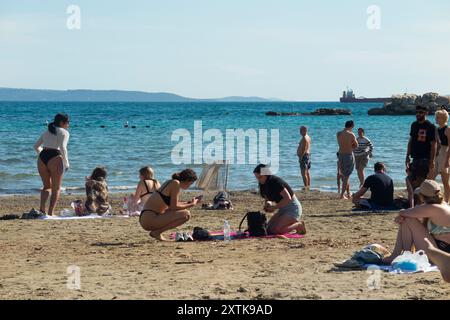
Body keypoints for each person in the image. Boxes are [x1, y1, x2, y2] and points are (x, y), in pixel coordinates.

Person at [382, 180, 450, 265]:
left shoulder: (433, 208)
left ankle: (403, 255)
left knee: (408, 219)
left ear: (422, 196)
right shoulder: (443, 205)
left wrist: (401, 217)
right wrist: (404, 216)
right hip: (442, 250)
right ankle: (402, 254)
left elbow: (403, 212)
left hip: (441, 254)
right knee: (408, 218)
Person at [139, 169, 200, 241]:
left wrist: (189, 202)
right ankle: (157, 232)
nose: (190, 186)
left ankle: (157, 232)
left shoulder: (171, 182)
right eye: (191, 183)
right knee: (186, 214)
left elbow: (172, 204)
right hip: (150, 219)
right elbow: (174, 207)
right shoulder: (176, 184)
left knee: (184, 212)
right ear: (187, 180)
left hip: (146, 218)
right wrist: (192, 204)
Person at [253, 164, 306, 235]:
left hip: (293, 208)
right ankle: (290, 223)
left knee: (276, 231)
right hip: (282, 209)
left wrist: (274, 207)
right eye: (257, 178)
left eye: (260, 177)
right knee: (268, 229)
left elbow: (288, 198)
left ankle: (299, 224)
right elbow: (268, 198)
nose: (258, 180)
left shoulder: (276, 182)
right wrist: (268, 204)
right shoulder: (264, 183)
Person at [34, 113, 70, 216]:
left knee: (46, 186)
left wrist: (43, 153)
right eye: (68, 122)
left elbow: (36, 146)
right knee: (56, 188)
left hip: (42, 157)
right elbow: (63, 147)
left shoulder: (46, 132)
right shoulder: (64, 132)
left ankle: (42, 209)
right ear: (62, 122)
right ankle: (50, 213)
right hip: (55, 156)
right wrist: (66, 162)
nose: (68, 125)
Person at [405, 105, 437, 207]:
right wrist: (407, 155)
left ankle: (420, 205)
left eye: (421, 112)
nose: (418, 114)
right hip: (415, 158)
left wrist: (432, 161)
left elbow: (434, 145)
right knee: (411, 180)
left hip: (424, 158)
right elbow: (410, 141)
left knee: (420, 182)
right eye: (417, 112)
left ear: (426, 113)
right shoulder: (414, 125)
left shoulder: (431, 127)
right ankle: (416, 204)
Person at [337, 121, 358, 199]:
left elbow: (340, 143)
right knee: (346, 176)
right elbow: (356, 145)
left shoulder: (338, 133)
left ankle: (348, 193)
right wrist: (351, 145)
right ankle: (342, 194)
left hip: (340, 155)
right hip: (348, 155)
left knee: (344, 175)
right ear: (352, 126)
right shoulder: (351, 134)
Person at [433, 109, 450, 203]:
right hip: (437, 154)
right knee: (431, 178)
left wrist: (447, 160)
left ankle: (447, 201)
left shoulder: (448, 129)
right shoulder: (437, 129)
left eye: (438, 117)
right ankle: (432, 199)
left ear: (443, 118)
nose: (436, 119)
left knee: (445, 180)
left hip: (445, 154)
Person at [297, 126, 311, 190]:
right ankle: (308, 186)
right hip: (307, 156)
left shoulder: (305, 138)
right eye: (300, 130)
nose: (300, 132)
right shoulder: (308, 137)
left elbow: (304, 149)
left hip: (304, 156)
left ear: (305, 130)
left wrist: (301, 157)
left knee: (303, 173)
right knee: (307, 172)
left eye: (301, 130)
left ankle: (306, 187)